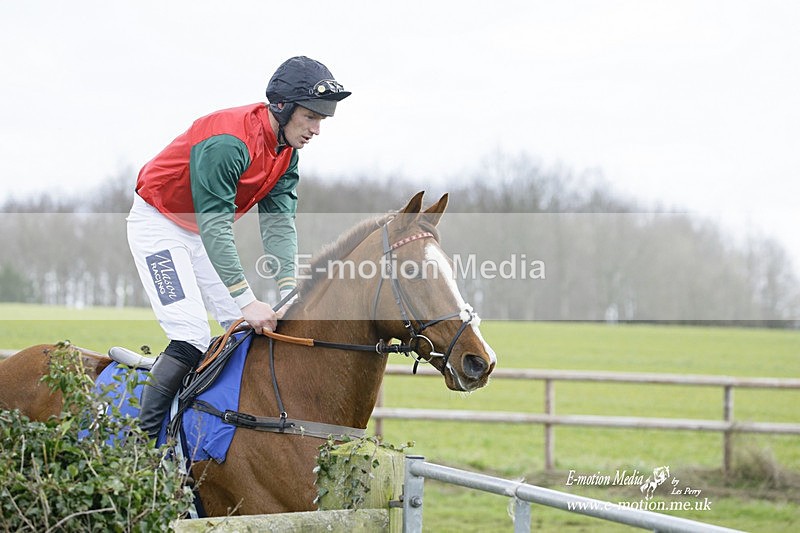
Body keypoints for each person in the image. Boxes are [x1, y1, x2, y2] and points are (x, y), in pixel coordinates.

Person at [126, 56, 350, 439]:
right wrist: (248, 301)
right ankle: (140, 446)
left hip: (198, 234)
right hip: (158, 224)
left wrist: (286, 291)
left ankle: (210, 422)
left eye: (322, 120)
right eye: (311, 116)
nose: (316, 129)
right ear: (282, 106)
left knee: (244, 332)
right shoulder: (229, 142)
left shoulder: (286, 154)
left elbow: (279, 225)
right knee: (191, 334)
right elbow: (216, 227)